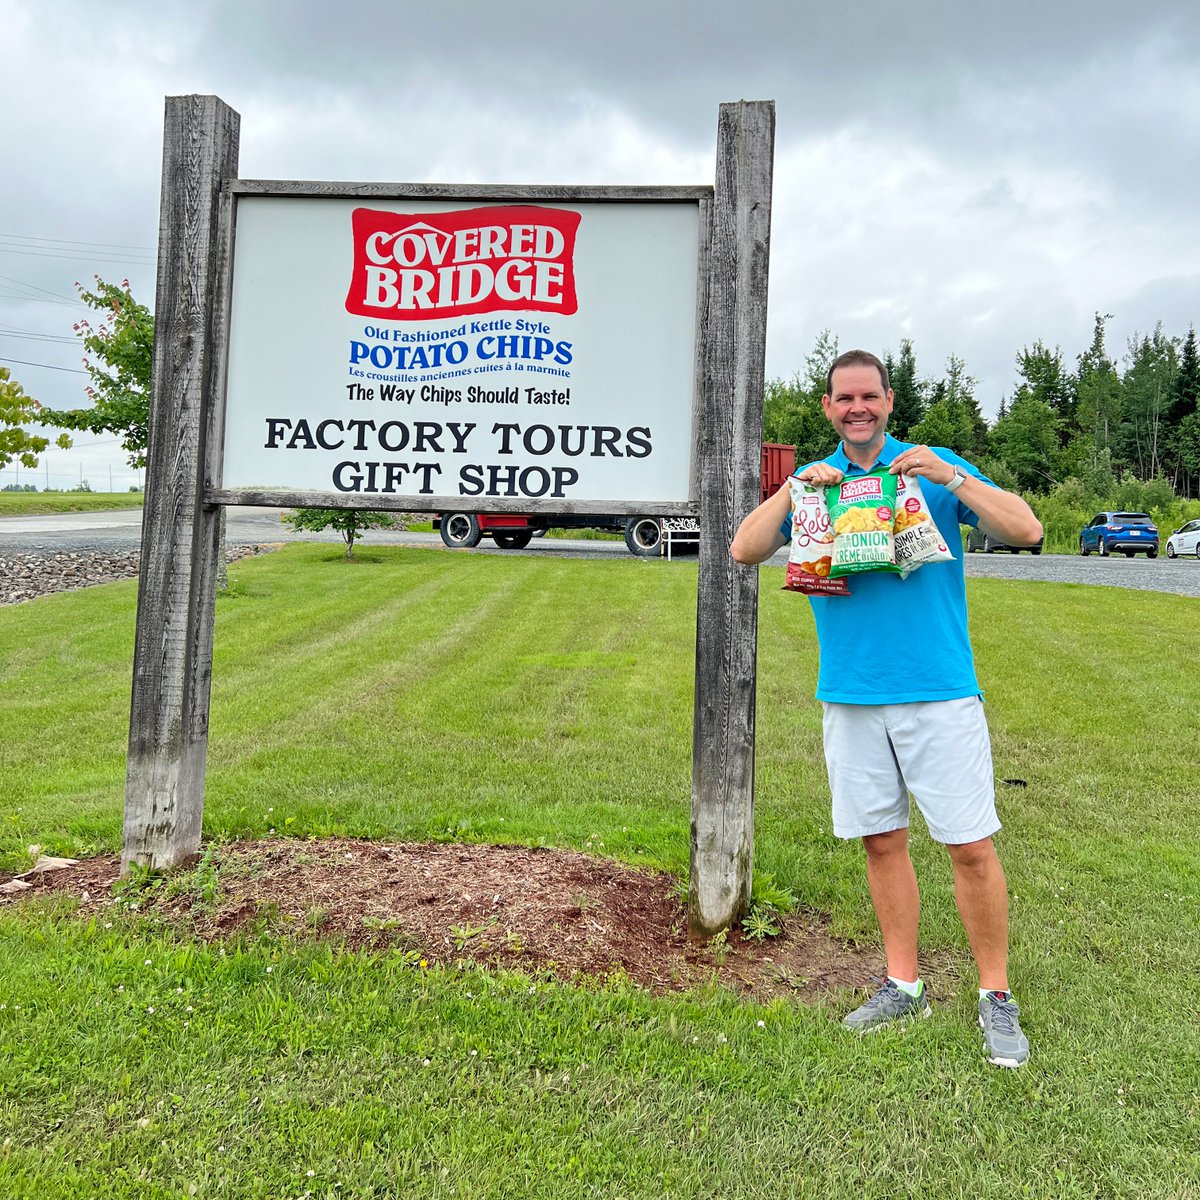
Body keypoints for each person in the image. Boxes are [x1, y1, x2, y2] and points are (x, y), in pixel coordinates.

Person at [730, 349, 1043, 1069]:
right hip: (851, 692)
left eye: (868, 396)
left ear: (890, 401)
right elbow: (745, 549)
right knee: (881, 841)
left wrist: (951, 476)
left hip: (939, 690)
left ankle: (996, 996)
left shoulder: (929, 469)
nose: (857, 408)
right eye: (844, 399)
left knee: (969, 845)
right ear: (827, 407)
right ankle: (904, 984)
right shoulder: (821, 482)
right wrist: (791, 491)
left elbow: (1026, 530)